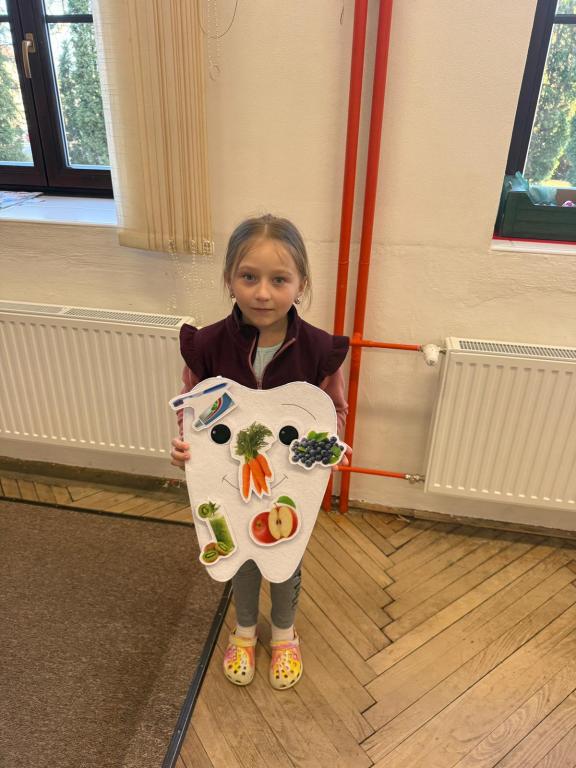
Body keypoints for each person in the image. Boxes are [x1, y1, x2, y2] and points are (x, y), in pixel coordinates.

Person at [170, 214, 349, 690]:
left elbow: (332, 410)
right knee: (238, 554)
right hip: (229, 476)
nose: (263, 293)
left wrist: (329, 448)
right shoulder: (207, 345)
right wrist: (186, 447)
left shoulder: (318, 350)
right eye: (249, 277)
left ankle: (285, 633)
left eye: (279, 280)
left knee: (285, 554)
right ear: (229, 278)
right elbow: (192, 408)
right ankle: (245, 630)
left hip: (289, 478)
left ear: (301, 283)